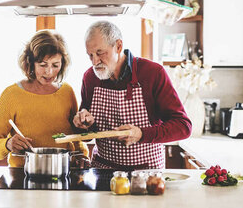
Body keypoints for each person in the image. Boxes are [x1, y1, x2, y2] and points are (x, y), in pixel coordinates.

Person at [73, 21, 191, 170]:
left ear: (118, 46)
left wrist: (141, 134)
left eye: (100, 53)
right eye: (90, 55)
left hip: (146, 172)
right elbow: (86, 132)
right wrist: (84, 123)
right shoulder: (90, 77)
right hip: (102, 169)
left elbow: (183, 126)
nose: (95, 61)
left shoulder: (153, 73)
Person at [0, 30, 89, 167]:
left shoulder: (67, 92)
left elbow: (76, 139)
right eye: (43, 65)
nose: (49, 72)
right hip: (23, 175)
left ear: (62, 64)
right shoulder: (11, 95)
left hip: (63, 171)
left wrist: (82, 156)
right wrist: (7, 144)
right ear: (30, 63)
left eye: (55, 65)